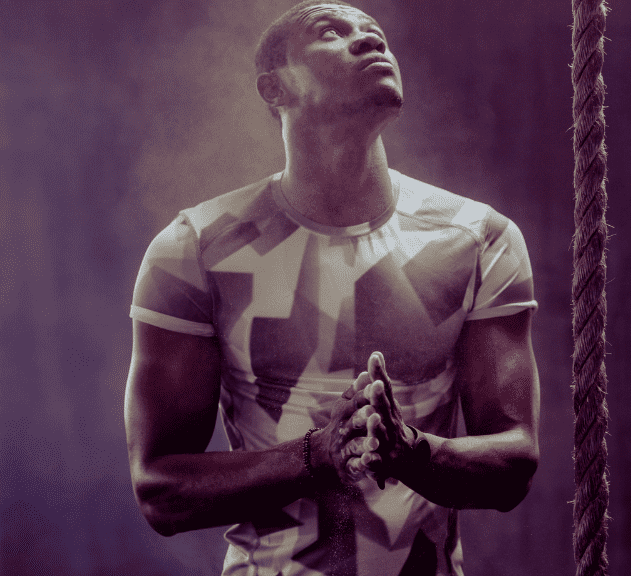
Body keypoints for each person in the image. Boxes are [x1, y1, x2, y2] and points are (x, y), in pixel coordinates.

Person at [123, 1, 540, 574]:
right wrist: (316, 457)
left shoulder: (478, 240)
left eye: (376, 33)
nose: (370, 41)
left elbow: (515, 460)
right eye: (332, 32)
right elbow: (160, 490)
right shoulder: (195, 250)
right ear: (275, 89)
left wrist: (408, 451)